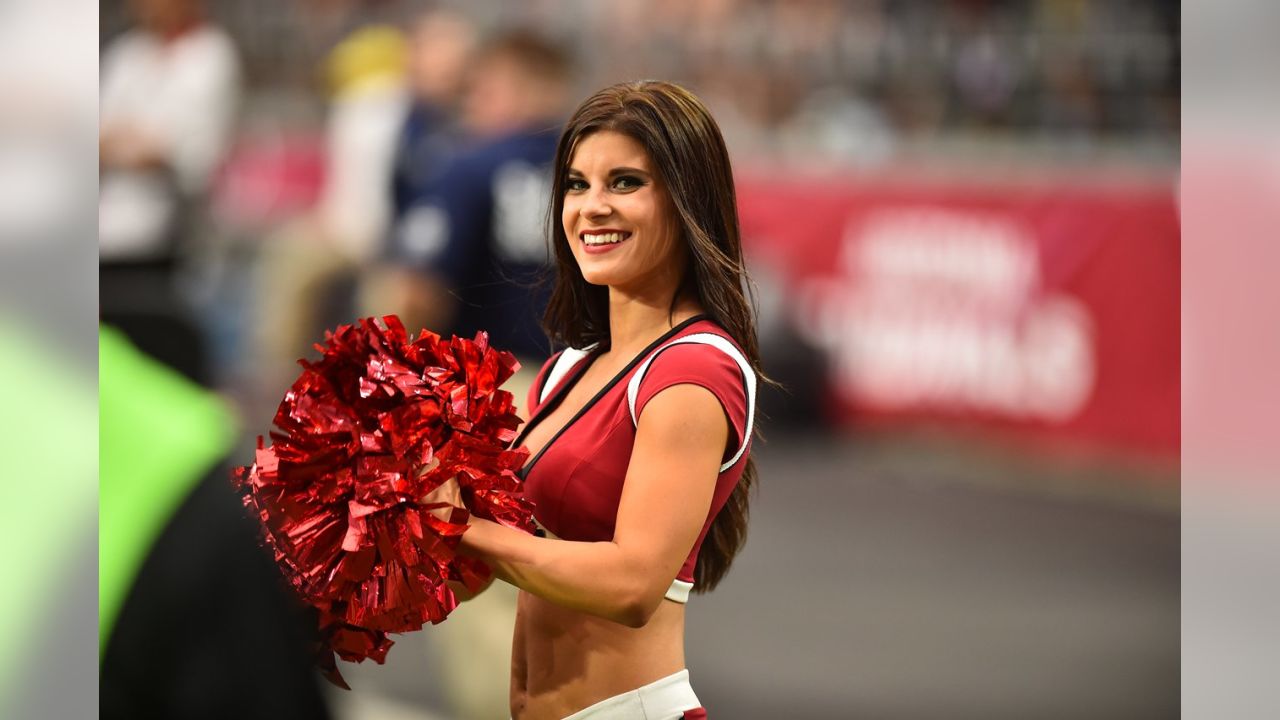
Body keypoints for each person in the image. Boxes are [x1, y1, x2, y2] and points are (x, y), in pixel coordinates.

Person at [430, 80, 765, 720]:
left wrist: (463, 529)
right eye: (577, 185)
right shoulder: (567, 368)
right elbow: (491, 566)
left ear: (687, 199)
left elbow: (633, 585)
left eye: (626, 183)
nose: (592, 207)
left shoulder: (693, 371)